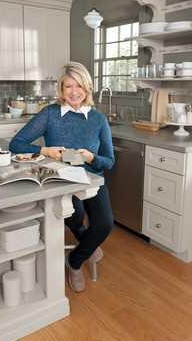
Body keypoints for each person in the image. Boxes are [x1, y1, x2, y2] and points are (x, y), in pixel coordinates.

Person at [9, 62, 114, 292]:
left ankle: (74, 260)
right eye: (68, 86)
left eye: (79, 86)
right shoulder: (50, 114)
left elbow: (108, 160)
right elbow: (15, 144)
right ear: (61, 89)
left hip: (91, 177)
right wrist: (45, 151)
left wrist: (90, 158)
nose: (74, 92)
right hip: (61, 179)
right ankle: (87, 243)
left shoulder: (98, 120)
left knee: (105, 224)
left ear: (87, 88)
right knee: (74, 214)